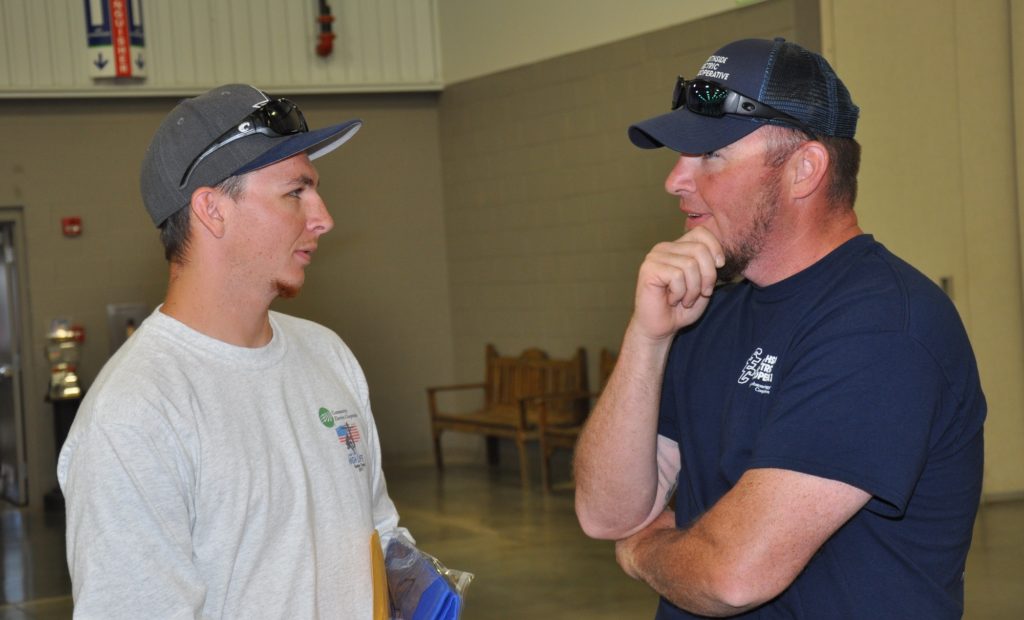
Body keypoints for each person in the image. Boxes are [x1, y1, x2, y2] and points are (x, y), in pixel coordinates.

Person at [574, 38, 986, 619]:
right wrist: (647, 338)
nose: (675, 179)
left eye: (710, 155)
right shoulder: (709, 312)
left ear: (804, 170)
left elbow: (731, 576)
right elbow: (606, 514)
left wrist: (644, 551)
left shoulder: (884, 328)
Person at [58, 84, 408, 618]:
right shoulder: (135, 412)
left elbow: (381, 539)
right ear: (212, 210)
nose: (323, 218)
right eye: (296, 192)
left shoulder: (328, 356)